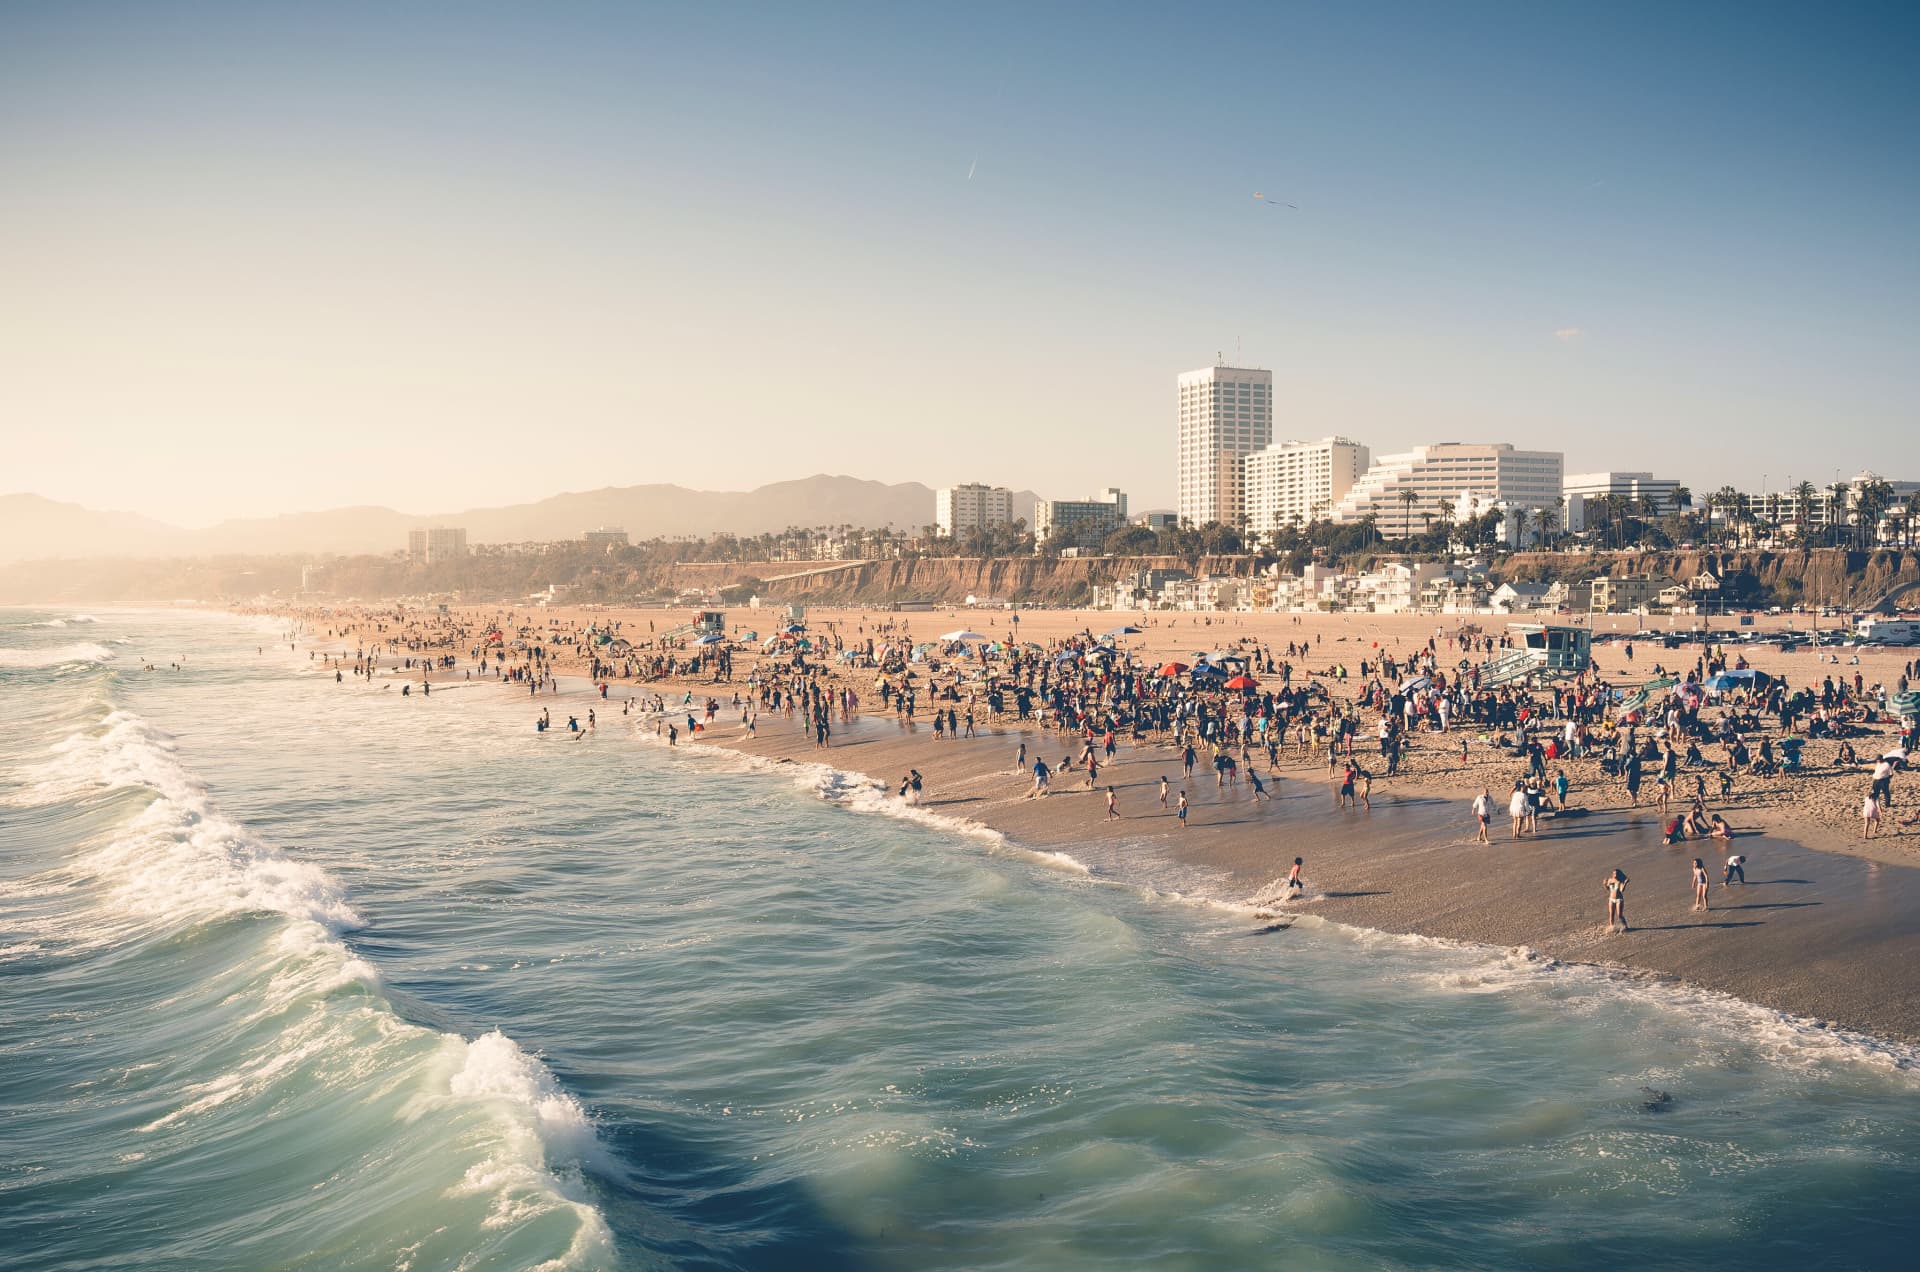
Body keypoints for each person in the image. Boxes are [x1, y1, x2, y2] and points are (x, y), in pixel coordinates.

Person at [1606, 868, 1630, 933]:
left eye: (1616, 873)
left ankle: (1625, 926)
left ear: (1619, 874)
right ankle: (1612, 927)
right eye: (1614, 873)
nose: (1615, 874)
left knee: (1619, 915)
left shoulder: (1620, 881)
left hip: (1619, 899)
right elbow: (1608, 888)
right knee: (1611, 914)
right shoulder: (1610, 880)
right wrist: (1604, 884)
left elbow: (1622, 890)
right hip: (1611, 899)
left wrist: (1625, 883)